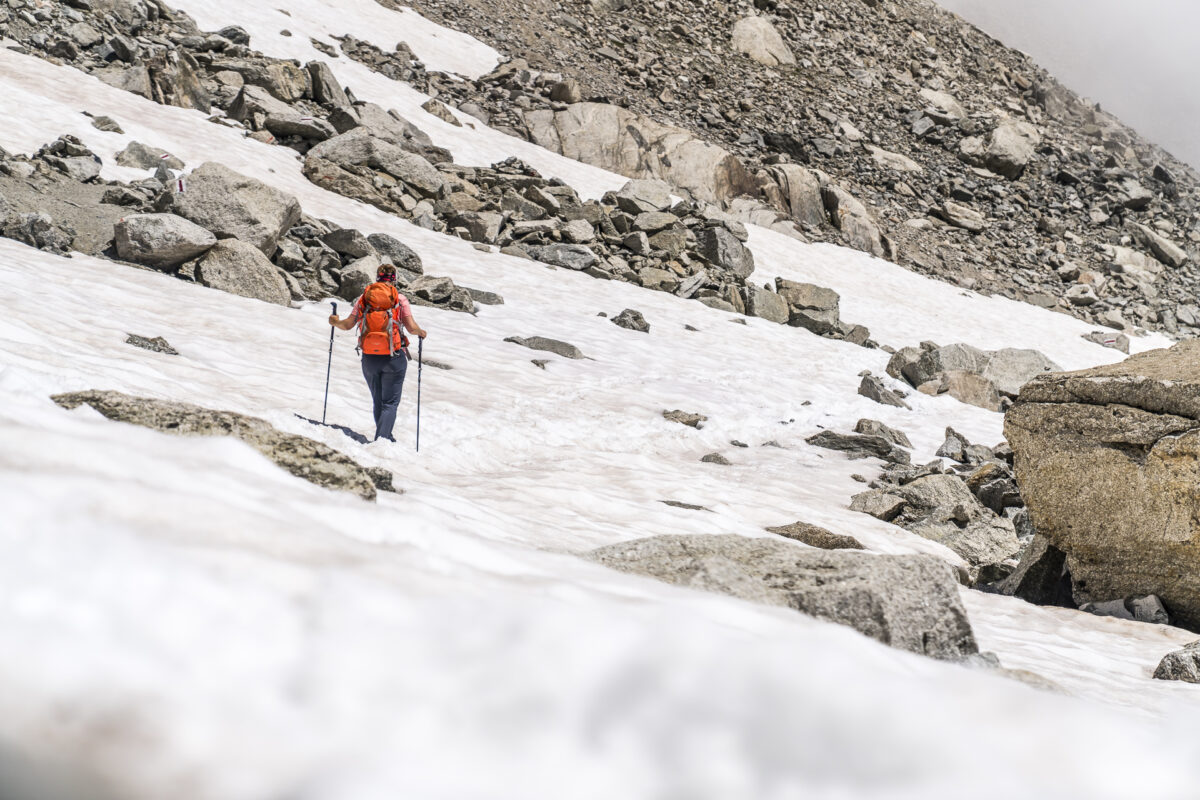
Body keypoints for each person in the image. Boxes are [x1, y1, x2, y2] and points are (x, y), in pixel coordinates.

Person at [328, 263, 427, 442]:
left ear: (377, 277)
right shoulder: (400, 299)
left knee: (378, 401)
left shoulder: (365, 298)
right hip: (394, 357)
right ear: (394, 279)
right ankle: (383, 441)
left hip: (369, 358)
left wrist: (335, 322)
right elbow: (411, 328)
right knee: (390, 403)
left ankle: (385, 437)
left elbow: (348, 325)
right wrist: (421, 332)